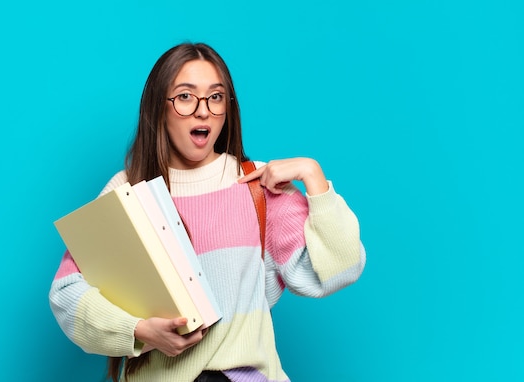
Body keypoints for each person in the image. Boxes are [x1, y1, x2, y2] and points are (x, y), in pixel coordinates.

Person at [49, 42, 366, 382]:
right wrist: (139, 330)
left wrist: (312, 175)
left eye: (215, 97)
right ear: (159, 108)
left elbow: (339, 269)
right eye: (185, 96)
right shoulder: (127, 191)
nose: (203, 111)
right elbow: (67, 293)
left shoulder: (256, 184)